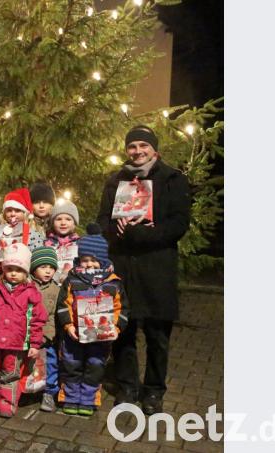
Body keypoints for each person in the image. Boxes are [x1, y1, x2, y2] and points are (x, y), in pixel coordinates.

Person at [96, 125, 190, 415]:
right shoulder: (116, 182)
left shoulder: (173, 179)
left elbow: (178, 224)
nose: (137, 151)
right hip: (123, 266)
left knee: (157, 335)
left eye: (143, 146)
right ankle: (127, 387)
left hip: (157, 267)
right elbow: (102, 222)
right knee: (123, 331)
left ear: (154, 149)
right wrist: (115, 229)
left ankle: (153, 391)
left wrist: (143, 234)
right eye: (132, 146)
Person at [55, 225, 128, 416]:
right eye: (85, 260)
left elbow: (122, 309)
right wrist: (68, 325)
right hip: (74, 336)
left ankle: (88, 399)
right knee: (72, 365)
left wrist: (116, 328)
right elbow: (63, 304)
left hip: (101, 337)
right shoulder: (72, 279)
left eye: (94, 261)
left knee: (95, 366)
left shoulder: (113, 282)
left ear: (102, 261)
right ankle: (71, 397)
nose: (89, 264)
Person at [0, 243, 46, 418]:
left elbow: (37, 320)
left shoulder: (31, 293)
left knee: (10, 375)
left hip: (16, 344)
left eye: (19, 269)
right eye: (10, 269)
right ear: (3, 269)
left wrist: (34, 343)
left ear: (26, 272)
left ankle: (6, 403)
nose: (14, 273)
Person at [0, 188, 45, 277]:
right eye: (9, 210)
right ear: (4, 213)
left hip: (25, 280)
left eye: (17, 211)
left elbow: (38, 260)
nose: (13, 214)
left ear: (25, 213)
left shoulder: (33, 235)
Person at [30, 246, 61, 412]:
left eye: (51, 267)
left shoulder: (55, 290)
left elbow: (54, 316)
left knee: (51, 363)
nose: (48, 271)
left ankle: (49, 393)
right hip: (26, 335)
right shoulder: (26, 286)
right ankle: (22, 390)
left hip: (46, 337)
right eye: (43, 267)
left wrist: (46, 335)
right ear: (33, 268)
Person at [45, 199, 81, 285]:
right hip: (52, 285)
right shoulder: (47, 244)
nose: (63, 223)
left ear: (74, 223)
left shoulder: (80, 244)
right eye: (59, 219)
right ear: (52, 222)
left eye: (68, 219)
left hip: (73, 285)